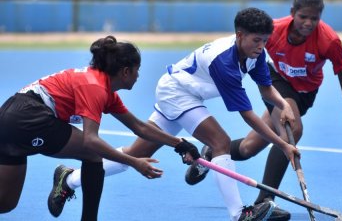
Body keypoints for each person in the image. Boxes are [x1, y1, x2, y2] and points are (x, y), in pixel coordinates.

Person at [51, 7, 300, 221]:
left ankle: (69, 179)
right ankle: (239, 214)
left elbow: (267, 88)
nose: (261, 46)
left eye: (265, 40)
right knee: (220, 142)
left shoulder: (256, 53)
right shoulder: (224, 62)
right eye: (257, 40)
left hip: (180, 91)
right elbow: (247, 116)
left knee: (138, 154)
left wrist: (283, 104)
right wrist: (283, 144)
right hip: (177, 93)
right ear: (239, 35)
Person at [185, 0, 342, 221]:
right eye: (303, 16)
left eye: (314, 18)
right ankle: (265, 201)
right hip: (276, 81)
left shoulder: (329, 41)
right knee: (293, 129)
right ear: (293, 13)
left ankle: (210, 153)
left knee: (247, 148)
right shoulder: (275, 31)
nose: (308, 23)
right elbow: (242, 45)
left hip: (306, 94)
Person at [0, 36, 200, 221]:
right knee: (92, 153)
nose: (139, 75)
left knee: (6, 203)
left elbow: (139, 127)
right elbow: (90, 140)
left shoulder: (105, 90)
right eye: (137, 69)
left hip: (11, 116)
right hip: (27, 118)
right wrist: (134, 162)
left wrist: (179, 143)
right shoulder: (94, 86)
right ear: (125, 72)